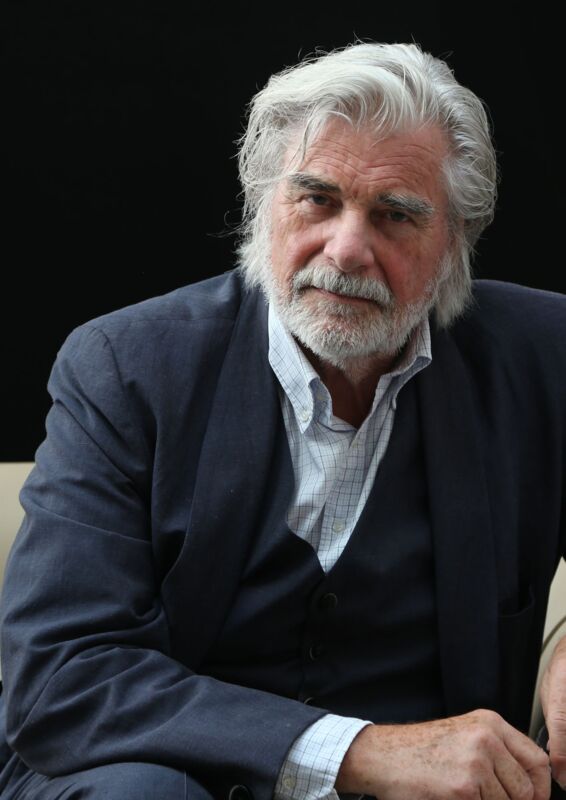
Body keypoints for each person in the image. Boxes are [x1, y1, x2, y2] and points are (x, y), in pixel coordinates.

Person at [0, 41, 565, 800]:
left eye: (395, 214)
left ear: (454, 244)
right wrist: (359, 751)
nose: (348, 248)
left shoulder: (546, 355)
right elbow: (60, 676)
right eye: (318, 199)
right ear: (263, 205)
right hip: (162, 778)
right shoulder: (126, 367)